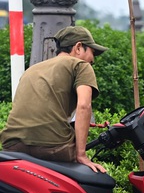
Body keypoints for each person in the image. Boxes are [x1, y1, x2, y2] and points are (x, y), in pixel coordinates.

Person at [0, 25, 108, 173]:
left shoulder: (32, 70)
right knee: (96, 181)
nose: (93, 60)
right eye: (92, 52)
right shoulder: (81, 65)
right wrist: (81, 155)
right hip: (52, 147)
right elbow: (84, 106)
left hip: (12, 146)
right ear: (78, 47)